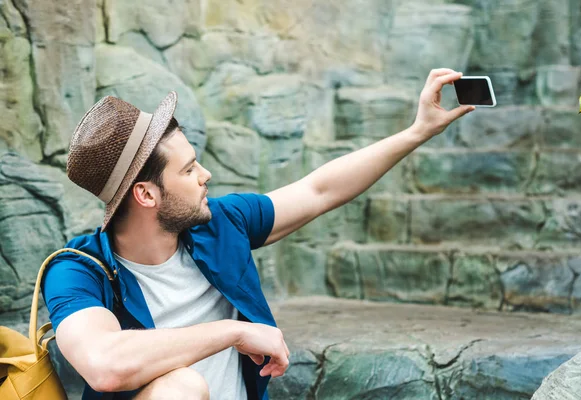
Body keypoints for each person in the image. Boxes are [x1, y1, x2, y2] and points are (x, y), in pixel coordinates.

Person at [41, 69, 475, 400]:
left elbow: (319, 189)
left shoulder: (219, 224)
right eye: (189, 169)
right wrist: (234, 333)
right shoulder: (79, 270)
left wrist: (418, 131)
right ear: (146, 194)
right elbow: (104, 364)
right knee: (182, 388)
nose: (205, 175)